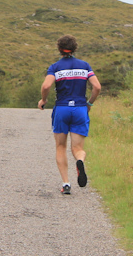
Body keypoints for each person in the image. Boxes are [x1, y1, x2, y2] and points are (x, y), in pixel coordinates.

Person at [37, 35, 101, 195]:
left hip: (62, 109)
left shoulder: (55, 67)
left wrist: (43, 100)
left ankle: (66, 183)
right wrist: (89, 103)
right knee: (78, 148)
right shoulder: (85, 66)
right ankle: (80, 161)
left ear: (59, 49)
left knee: (60, 146)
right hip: (80, 108)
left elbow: (46, 85)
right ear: (74, 48)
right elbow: (97, 87)